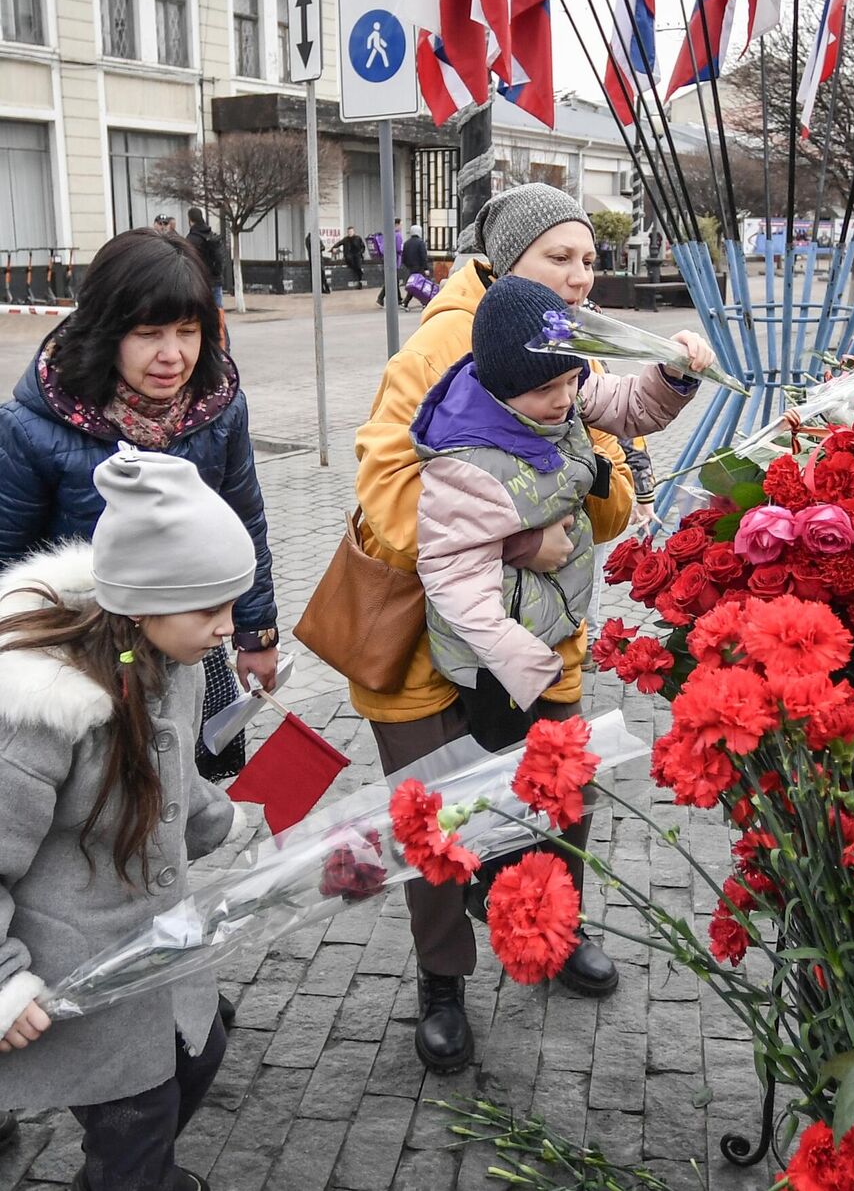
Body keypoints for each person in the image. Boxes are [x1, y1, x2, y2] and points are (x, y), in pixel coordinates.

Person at [350, 183, 652, 1073]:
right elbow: (387, 493)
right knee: (437, 812)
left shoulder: (573, 345)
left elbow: (610, 493)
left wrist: (595, 493)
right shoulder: (443, 342)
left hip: (540, 633)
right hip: (423, 639)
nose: (578, 275)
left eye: (589, 258)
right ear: (503, 257)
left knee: (557, 785)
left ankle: (552, 931)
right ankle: (443, 978)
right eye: (559, 256)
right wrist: (516, 536)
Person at [0, 446, 258, 1191]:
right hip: (70, 969)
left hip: (151, 952)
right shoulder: (45, 713)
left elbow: (170, 778)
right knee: (137, 1119)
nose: (225, 630)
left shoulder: (166, 663)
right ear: (140, 603)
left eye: (232, 605)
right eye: (209, 608)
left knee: (199, 1054)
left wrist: (228, 820)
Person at [412, 275, 710, 898]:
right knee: (503, 772)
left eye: (572, 382)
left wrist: (674, 376)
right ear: (501, 388)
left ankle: (537, 888)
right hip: (493, 658)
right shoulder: (465, 463)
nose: (566, 399)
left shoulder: (558, 384)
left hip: (542, 634)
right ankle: (489, 882)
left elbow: (631, 404)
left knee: (548, 776)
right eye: (547, 389)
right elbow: (452, 580)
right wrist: (526, 667)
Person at [0, 228, 280, 783]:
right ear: (105, 331)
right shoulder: (30, 429)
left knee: (190, 798)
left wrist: (257, 632)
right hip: (87, 668)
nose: (172, 355)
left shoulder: (219, 411)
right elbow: (8, 562)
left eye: (188, 331)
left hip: (192, 650)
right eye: (148, 333)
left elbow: (245, 520)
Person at [183, 209, 227, 316]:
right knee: (218, 312)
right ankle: (221, 332)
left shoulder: (192, 239)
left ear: (190, 220)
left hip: (201, 281)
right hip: (216, 280)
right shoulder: (211, 234)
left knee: (202, 314)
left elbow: (188, 261)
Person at [340, 225, 367, 290]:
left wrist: (360, 252)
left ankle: (359, 279)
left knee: (358, 266)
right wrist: (333, 248)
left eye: (351, 231)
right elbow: (339, 243)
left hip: (357, 256)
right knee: (354, 265)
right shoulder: (346, 239)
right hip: (349, 257)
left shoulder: (358, 238)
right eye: (349, 232)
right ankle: (359, 275)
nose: (350, 233)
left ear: (353, 232)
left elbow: (363, 247)